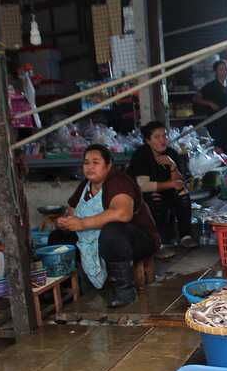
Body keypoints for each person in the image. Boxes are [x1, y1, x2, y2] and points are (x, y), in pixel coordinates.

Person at [49, 144, 159, 308]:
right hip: (95, 236)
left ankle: (125, 291)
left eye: (96, 162)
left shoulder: (118, 181)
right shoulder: (85, 185)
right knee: (57, 237)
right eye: (86, 163)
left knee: (112, 231)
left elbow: (122, 213)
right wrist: (66, 223)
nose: (90, 167)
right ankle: (65, 289)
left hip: (138, 239)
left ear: (108, 165)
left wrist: (82, 223)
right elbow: (72, 212)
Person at [128, 121, 197, 254]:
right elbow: (143, 186)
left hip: (166, 192)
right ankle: (160, 243)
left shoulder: (171, 153)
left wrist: (172, 166)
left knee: (183, 195)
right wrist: (171, 185)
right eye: (157, 137)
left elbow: (179, 182)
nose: (162, 140)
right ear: (148, 140)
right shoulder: (141, 155)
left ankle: (185, 236)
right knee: (155, 198)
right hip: (142, 195)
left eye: (164, 136)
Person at [194, 59, 227, 158]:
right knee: (222, 155)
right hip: (218, 127)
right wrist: (210, 103)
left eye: (226, 69)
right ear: (216, 72)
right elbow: (195, 98)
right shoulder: (211, 86)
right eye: (221, 69)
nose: (224, 72)